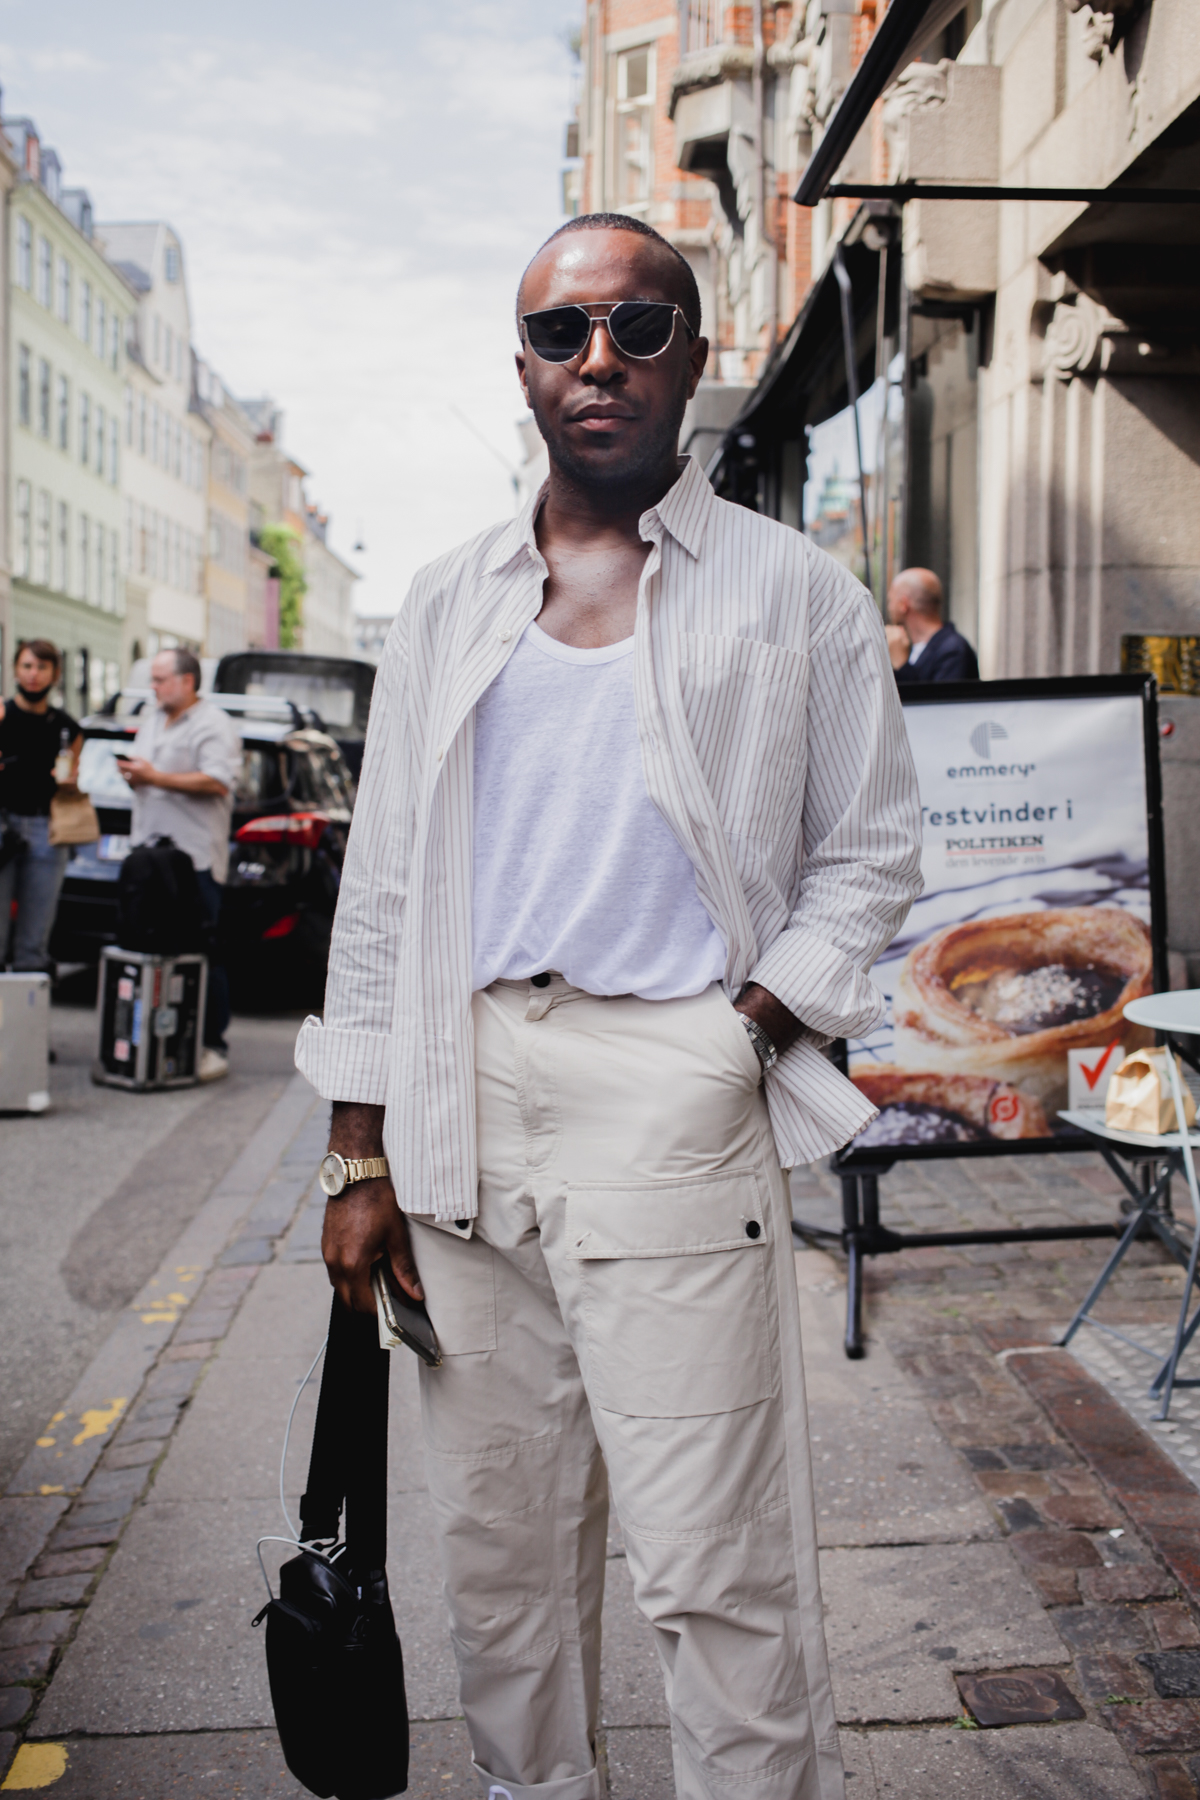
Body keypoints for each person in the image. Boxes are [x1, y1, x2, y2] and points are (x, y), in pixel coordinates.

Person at [297, 212, 923, 1800]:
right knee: (498, 1555)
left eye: (639, 328)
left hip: (674, 1085)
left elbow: (868, 852)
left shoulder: (795, 594)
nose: (600, 360)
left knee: (716, 1563)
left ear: (692, 357)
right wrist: (357, 1155)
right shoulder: (446, 602)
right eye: (561, 332)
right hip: (465, 1099)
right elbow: (383, 895)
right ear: (521, 366)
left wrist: (748, 1031)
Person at [116, 647, 241, 1082]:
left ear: (187, 681)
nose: (152, 687)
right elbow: (147, 772)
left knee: (202, 948)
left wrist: (154, 778)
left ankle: (212, 1044)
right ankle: (162, 1040)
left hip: (193, 858)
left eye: (160, 679)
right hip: (149, 853)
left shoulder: (213, 725)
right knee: (150, 945)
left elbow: (217, 781)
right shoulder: (152, 718)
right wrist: (135, 776)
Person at [0, 639, 81, 972]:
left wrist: (70, 781)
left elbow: (73, 783)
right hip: (3, 825)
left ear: (55, 674)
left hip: (47, 828)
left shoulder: (67, 728)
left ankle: (27, 995)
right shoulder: (2, 715)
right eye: (27, 666)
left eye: (42, 667)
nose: (33, 674)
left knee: (34, 938)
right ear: (15, 670)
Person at [885, 566, 979, 682]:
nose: (889, 607)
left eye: (891, 601)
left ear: (903, 604)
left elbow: (938, 694)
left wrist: (902, 665)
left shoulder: (953, 651)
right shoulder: (911, 647)